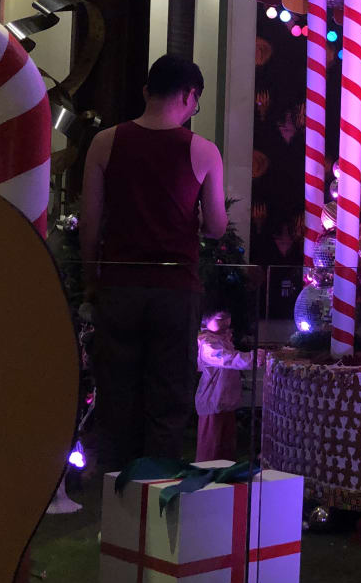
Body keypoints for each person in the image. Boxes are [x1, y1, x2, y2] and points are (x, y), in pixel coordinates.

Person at [79, 56, 228, 469]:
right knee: (167, 404)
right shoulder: (203, 151)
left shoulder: (104, 142)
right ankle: (155, 497)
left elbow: (90, 222)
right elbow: (217, 226)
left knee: (116, 400)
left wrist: (91, 278)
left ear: (147, 92)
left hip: (119, 287)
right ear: (190, 95)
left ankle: (115, 497)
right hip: (175, 291)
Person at [194, 310, 253, 461]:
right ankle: (206, 472)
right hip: (212, 403)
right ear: (205, 320)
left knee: (226, 447)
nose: (225, 323)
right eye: (220, 318)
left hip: (226, 402)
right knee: (211, 449)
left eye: (227, 318)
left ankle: (225, 472)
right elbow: (226, 359)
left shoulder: (223, 339)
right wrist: (252, 358)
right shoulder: (208, 344)